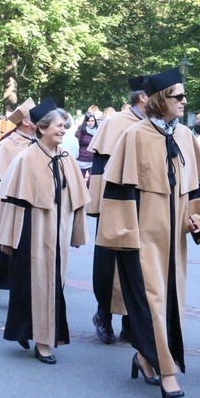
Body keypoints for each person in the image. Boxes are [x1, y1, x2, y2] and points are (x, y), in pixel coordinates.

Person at [96, 67, 200, 398]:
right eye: (178, 96)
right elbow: (120, 191)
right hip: (142, 236)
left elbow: (198, 190)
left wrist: (199, 222)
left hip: (175, 239)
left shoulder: (186, 137)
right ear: (161, 100)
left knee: (171, 302)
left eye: (185, 95)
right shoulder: (134, 136)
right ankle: (166, 370)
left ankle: (143, 357)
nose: (184, 101)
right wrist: (125, 236)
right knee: (153, 302)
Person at [0, 98, 90, 364]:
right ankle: (42, 341)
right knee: (32, 285)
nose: (63, 130)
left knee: (52, 285)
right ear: (42, 128)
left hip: (57, 232)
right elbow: (12, 202)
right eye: (58, 126)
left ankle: (34, 333)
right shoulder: (26, 158)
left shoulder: (66, 158)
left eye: (64, 126)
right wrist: (7, 239)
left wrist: (76, 233)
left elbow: (77, 201)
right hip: (31, 232)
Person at [87, 74, 148, 344]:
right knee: (108, 262)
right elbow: (100, 166)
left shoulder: (157, 126)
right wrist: (99, 206)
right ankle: (104, 315)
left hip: (144, 203)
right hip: (114, 203)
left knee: (138, 263)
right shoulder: (116, 123)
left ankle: (129, 320)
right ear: (143, 97)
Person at [0, 97, 36, 308]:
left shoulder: (40, 144)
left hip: (31, 204)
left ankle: (22, 291)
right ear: (24, 121)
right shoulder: (6, 146)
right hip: (6, 205)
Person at [74, 112, 97, 186]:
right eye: (88, 121)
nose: (90, 123)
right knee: (79, 182)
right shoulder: (81, 131)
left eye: (92, 121)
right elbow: (76, 143)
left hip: (93, 160)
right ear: (85, 121)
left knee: (91, 181)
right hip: (81, 160)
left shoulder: (98, 131)